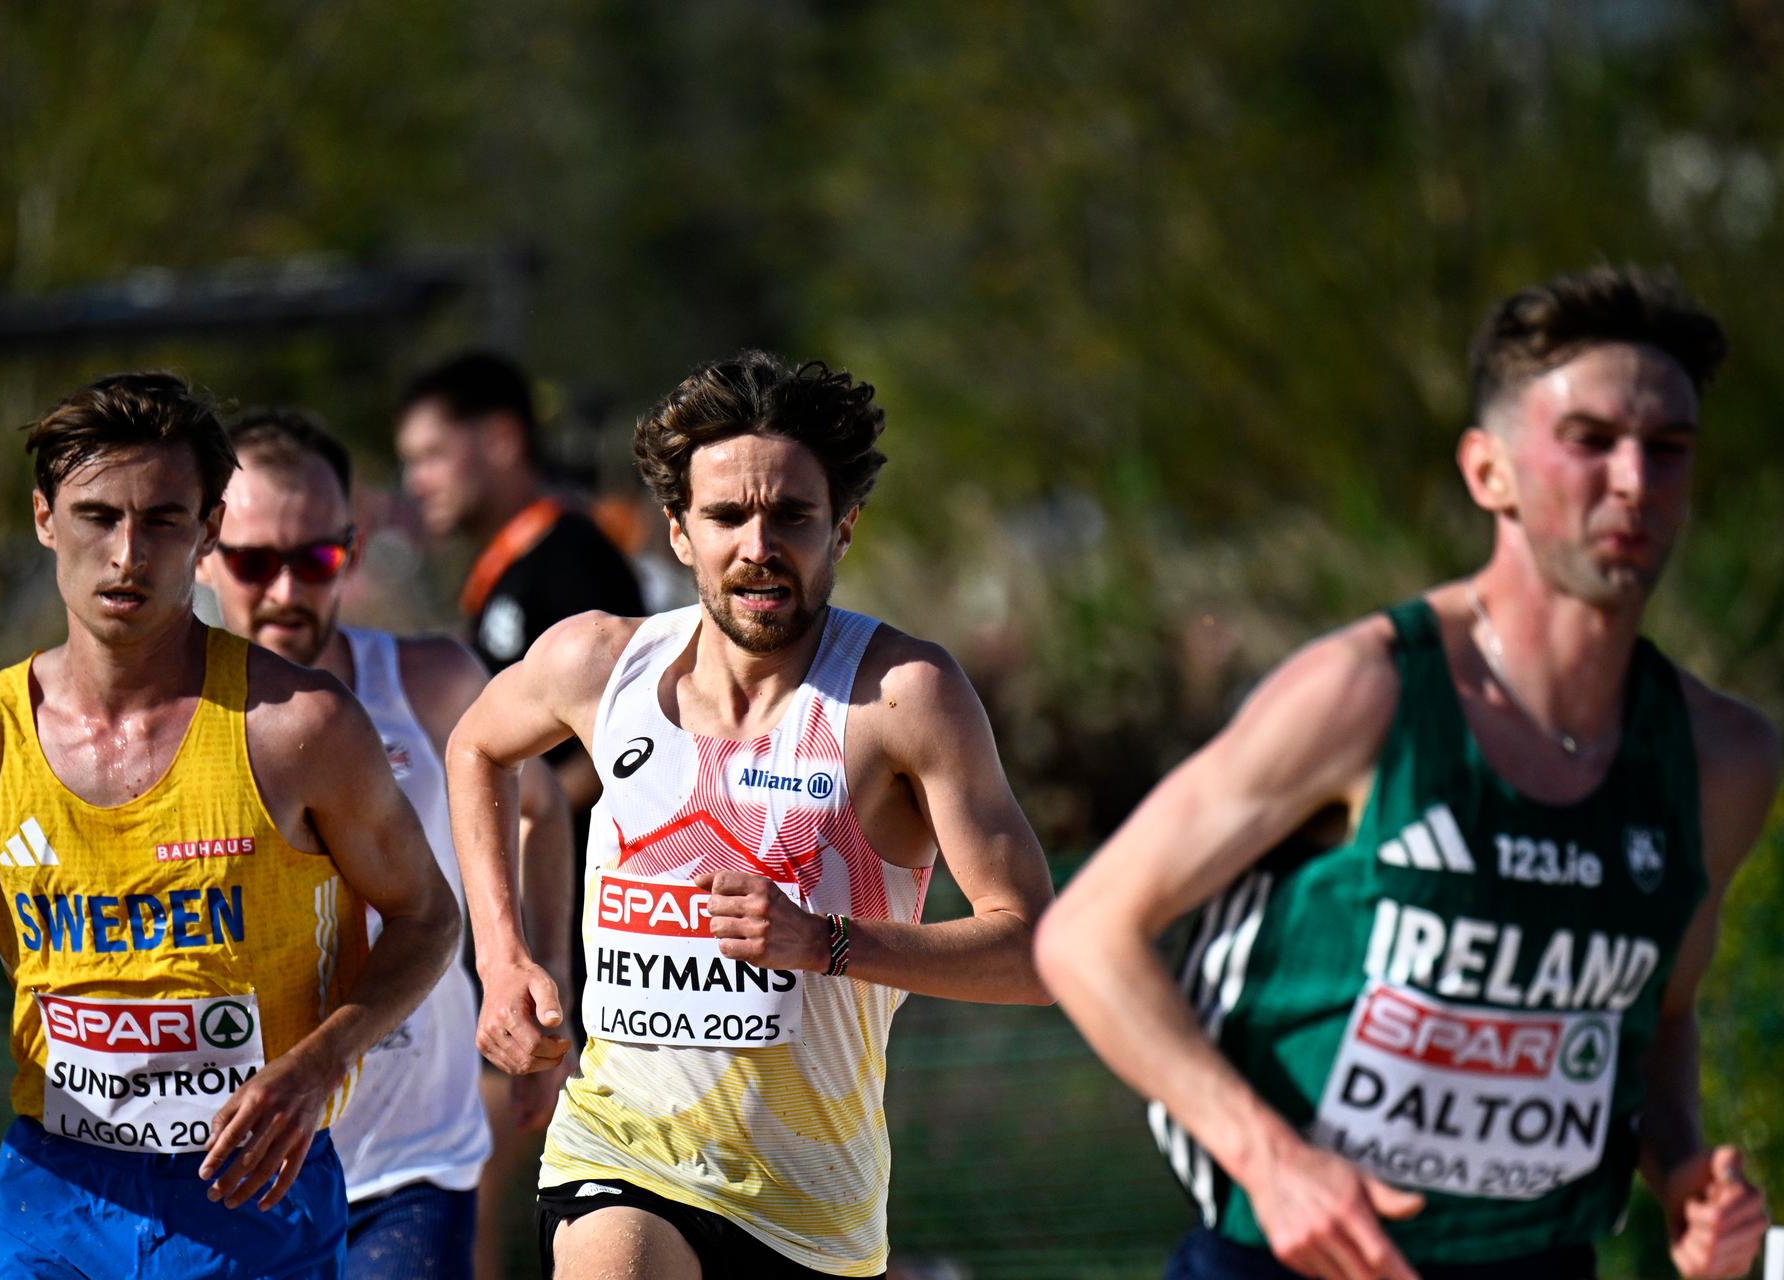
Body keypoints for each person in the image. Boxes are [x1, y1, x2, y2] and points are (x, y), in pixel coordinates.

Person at [1036, 266, 1778, 1280]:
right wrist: (1271, 1159)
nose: (1635, 482)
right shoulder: (1366, 690)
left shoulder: (1721, 757)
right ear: (1490, 471)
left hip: (1537, 1259)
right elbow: (1085, 933)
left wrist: (1687, 1171)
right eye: (1591, 440)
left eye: (1669, 450)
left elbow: (1661, 1017)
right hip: (1293, 1262)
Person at [445, 351, 1057, 1279]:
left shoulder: (900, 698)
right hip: (620, 1153)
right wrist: (502, 956)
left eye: (792, 517)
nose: (758, 547)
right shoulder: (597, 666)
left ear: (842, 529)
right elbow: (477, 748)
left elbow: (1035, 953)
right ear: (680, 532)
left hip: (813, 1208)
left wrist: (828, 945)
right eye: (727, 516)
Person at [0, 373, 461, 1278]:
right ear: (42, 518)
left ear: (209, 530)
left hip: (255, 1188)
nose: (128, 555)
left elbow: (428, 918)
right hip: (52, 1196)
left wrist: (316, 1066)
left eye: (165, 520)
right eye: (98, 516)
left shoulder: (300, 728)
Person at [198, 406, 576, 1277]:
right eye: (257, 562)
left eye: (316, 558)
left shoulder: (431, 682)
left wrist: (539, 981)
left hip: (409, 1159)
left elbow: (542, 810)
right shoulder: (167, 721)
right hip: (230, 1164)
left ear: (353, 551)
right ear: (207, 554)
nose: (288, 591)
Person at [395, 350, 647, 1273]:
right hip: (528, 940)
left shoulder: (572, 560)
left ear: (500, 440)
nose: (415, 481)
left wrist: (520, 803)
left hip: (580, 938)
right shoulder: (506, 575)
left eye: (429, 454)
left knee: (495, 1187)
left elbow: (621, 756)